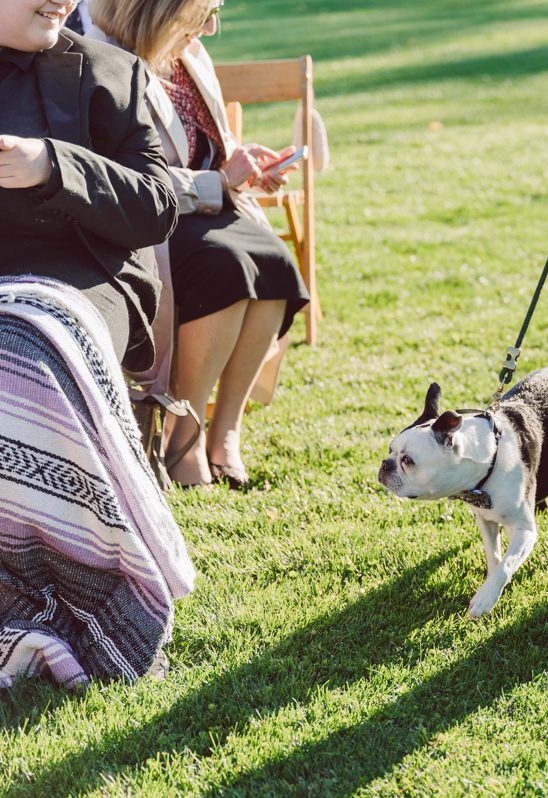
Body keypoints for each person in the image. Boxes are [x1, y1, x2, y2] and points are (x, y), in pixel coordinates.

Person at [0, 0, 195, 687]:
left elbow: (157, 206)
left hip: (81, 282)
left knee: (21, 345)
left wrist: (55, 165)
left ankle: (77, 584)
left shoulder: (112, 72)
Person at [89, 0, 309, 489]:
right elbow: (127, 180)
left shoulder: (188, 51)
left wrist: (243, 165)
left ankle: (225, 431)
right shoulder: (98, 60)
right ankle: (182, 433)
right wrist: (218, 181)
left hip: (210, 205)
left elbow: (206, 145)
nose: (211, 27)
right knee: (225, 267)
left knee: (274, 263)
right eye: (202, 13)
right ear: (157, 12)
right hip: (153, 221)